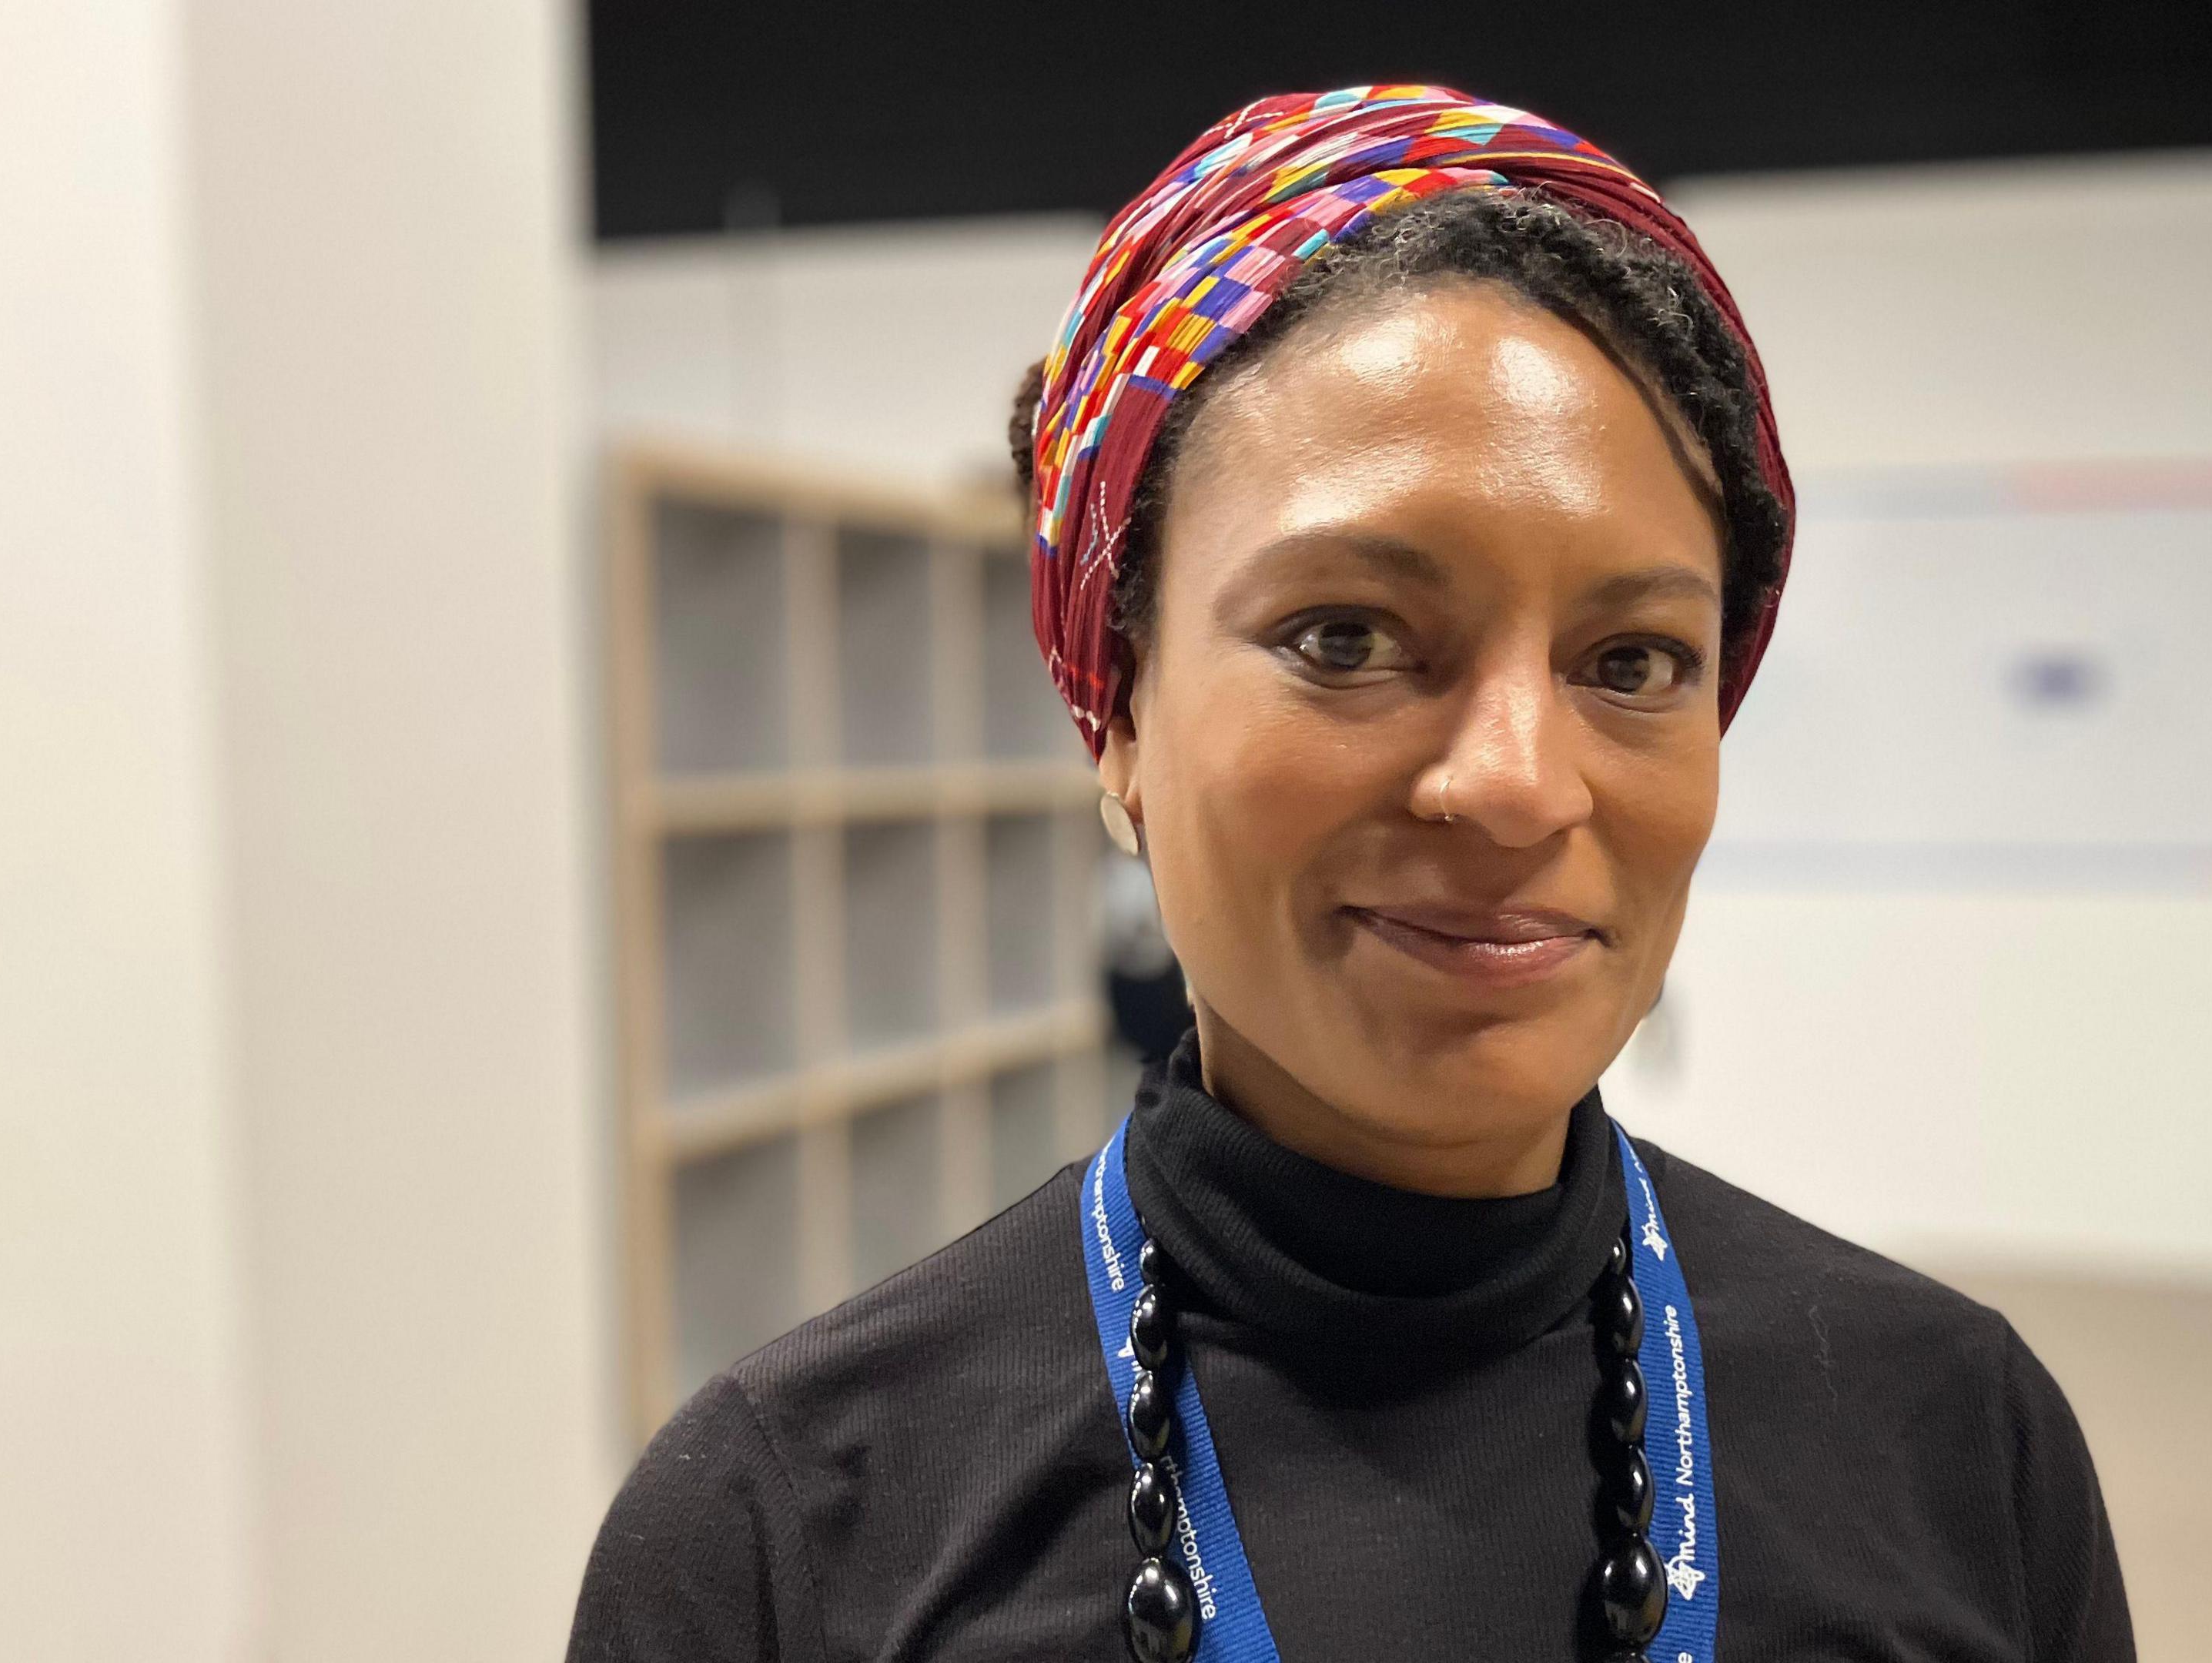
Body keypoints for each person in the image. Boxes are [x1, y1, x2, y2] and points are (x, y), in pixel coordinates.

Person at [568, 85, 2133, 1663]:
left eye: (1634, 659)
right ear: (1115, 713)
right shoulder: (789, 1533)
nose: (1517, 782)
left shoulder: (1955, 1442)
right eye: (1347, 640)